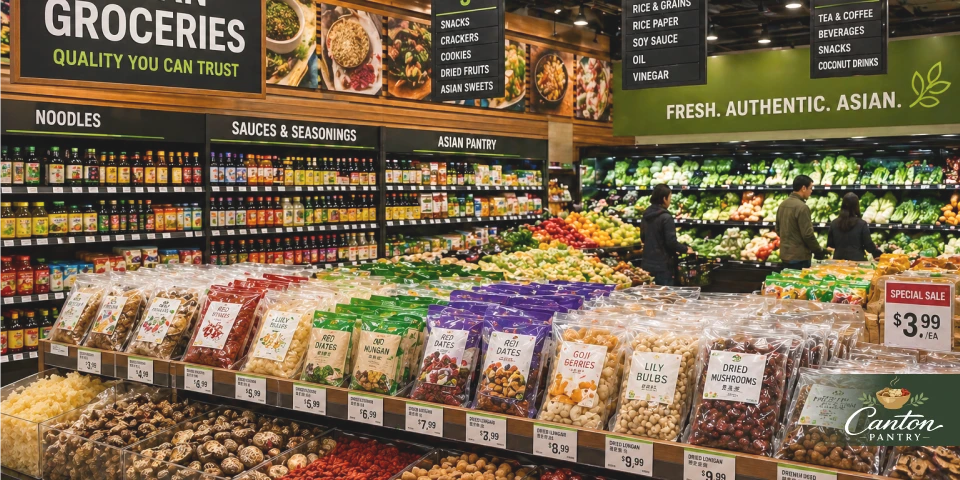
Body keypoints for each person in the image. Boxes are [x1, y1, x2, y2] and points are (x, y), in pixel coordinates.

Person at [641, 184, 693, 286]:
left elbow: (643, 238)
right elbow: (671, 242)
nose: (670, 200)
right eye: (669, 197)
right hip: (663, 265)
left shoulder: (646, 215)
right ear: (664, 199)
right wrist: (686, 249)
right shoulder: (666, 217)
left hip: (647, 264)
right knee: (665, 294)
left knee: (649, 294)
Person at [775, 174, 825, 269]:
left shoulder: (782, 205)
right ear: (803, 188)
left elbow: (778, 229)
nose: (811, 191)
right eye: (810, 188)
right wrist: (818, 250)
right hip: (800, 257)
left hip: (785, 255)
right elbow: (808, 235)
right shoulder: (802, 207)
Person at [828, 193, 883, 261]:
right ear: (856, 206)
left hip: (838, 260)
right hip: (857, 261)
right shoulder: (862, 224)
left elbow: (831, 244)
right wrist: (878, 254)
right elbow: (868, 245)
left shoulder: (834, 223)